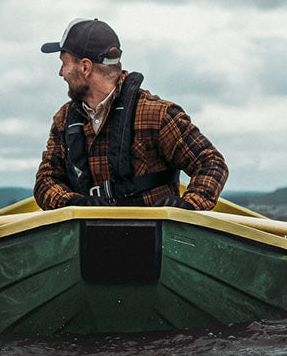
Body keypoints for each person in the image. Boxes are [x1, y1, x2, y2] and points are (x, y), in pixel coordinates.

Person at [33, 18, 228, 211]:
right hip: (88, 237)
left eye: (64, 63)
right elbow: (45, 181)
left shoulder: (158, 115)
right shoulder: (64, 119)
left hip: (152, 239)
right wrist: (74, 203)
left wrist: (188, 206)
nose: (61, 72)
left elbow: (211, 163)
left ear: (85, 67)